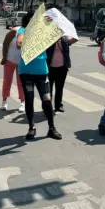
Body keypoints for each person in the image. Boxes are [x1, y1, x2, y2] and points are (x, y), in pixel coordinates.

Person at [17, 10, 62, 140]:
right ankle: (31, 128)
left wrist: (50, 23)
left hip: (41, 71)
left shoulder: (44, 31)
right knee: (29, 99)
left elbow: (57, 32)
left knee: (47, 99)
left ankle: (51, 128)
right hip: (26, 72)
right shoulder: (23, 31)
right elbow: (19, 43)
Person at [46, 35, 77, 113]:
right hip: (50, 67)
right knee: (48, 89)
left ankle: (58, 105)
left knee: (59, 88)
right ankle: (47, 106)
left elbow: (75, 40)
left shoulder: (65, 40)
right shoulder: (49, 38)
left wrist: (73, 34)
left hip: (62, 67)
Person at [0, 25, 25, 112]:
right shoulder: (14, 31)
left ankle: (22, 102)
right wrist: (4, 57)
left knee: (21, 82)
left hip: (22, 61)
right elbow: (5, 43)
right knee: (7, 80)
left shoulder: (32, 32)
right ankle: (4, 101)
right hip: (9, 60)